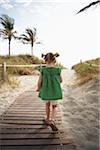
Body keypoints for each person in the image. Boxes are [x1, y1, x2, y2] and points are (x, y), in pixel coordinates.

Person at [36, 52, 62, 126]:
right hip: (55, 91)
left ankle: (47, 119)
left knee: (47, 105)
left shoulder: (43, 70)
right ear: (55, 61)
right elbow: (61, 80)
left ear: (45, 60)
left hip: (45, 91)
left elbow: (39, 81)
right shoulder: (58, 70)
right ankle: (53, 120)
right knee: (54, 106)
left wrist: (38, 88)